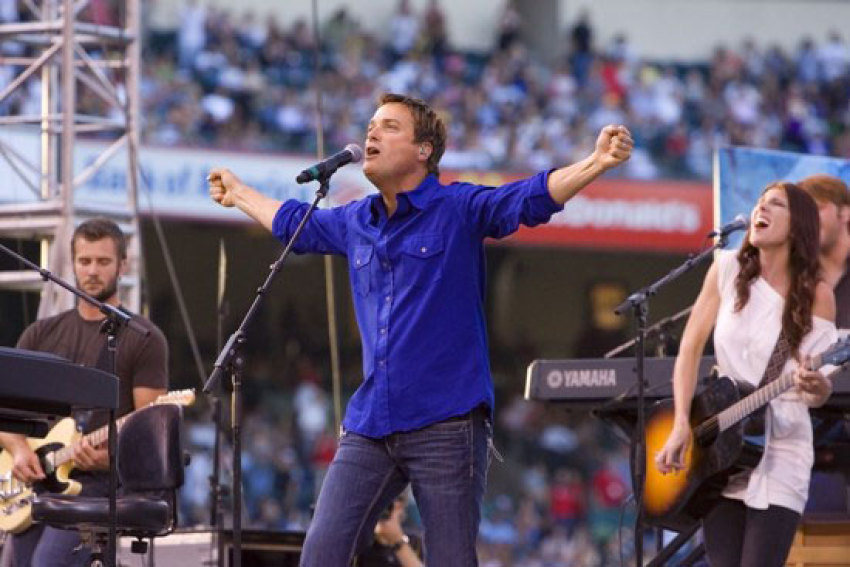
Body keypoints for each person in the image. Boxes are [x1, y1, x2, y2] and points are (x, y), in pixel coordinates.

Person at [207, 92, 633, 565]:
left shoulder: (457, 207)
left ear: (424, 150)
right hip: (370, 423)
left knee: (451, 559)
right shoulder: (356, 221)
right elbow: (299, 226)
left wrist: (596, 162)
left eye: (389, 126)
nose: (371, 132)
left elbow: (527, 197)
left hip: (446, 422)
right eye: (371, 125)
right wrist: (239, 193)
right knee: (320, 554)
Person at [655, 182, 837, 566]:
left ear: (798, 224)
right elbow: (689, 350)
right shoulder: (725, 268)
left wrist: (815, 386)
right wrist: (681, 425)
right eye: (759, 202)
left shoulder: (816, 294)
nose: (761, 209)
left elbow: (818, 391)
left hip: (782, 446)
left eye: (775, 205)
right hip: (721, 445)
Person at [0, 218, 169, 567]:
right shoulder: (41, 333)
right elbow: (6, 415)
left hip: (98, 489)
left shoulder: (144, 339)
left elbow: (148, 433)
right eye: (84, 261)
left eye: (103, 262)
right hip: (33, 485)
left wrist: (112, 458)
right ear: (72, 264)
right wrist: (18, 450)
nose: (92, 271)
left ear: (123, 265)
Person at [798, 174, 850, 330]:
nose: (808, 219)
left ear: (845, 213)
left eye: (816, 208)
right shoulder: (794, 277)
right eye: (802, 213)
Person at [355, 493, 423, 567]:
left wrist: (398, 541)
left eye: (389, 505)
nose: (384, 511)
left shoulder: (416, 543)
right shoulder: (359, 544)